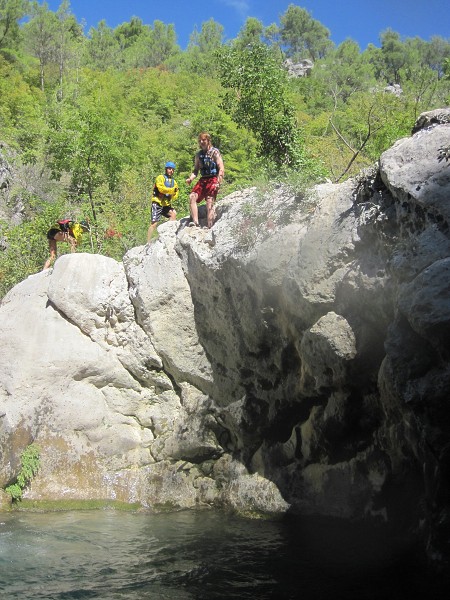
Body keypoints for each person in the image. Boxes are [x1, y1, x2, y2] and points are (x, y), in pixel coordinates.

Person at [186, 132, 224, 229]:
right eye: (200, 140)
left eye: (204, 140)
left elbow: (221, 168)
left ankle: (209, 225)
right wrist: (191, 178)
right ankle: (195, 222)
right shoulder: (199, 155)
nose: (202, 142)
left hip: (213, 178)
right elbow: (196, 170)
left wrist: (218, 182)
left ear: (208, 141)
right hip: (203, 179)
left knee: (209, 200)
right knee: (192, 197)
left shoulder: (215, 152)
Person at [147, 161, 179, 242]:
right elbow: (161, 189)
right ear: (166, 169)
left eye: (172, 169)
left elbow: (176, 195)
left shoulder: (174, 182)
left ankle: (168, 235)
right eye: (169, 169)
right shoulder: (160, 178)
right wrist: (172, 190)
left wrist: (172, 194)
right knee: (154, 223)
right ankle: (147, 242)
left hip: (165, 204)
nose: (171, 171)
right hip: (157, 202)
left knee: (173, 214)